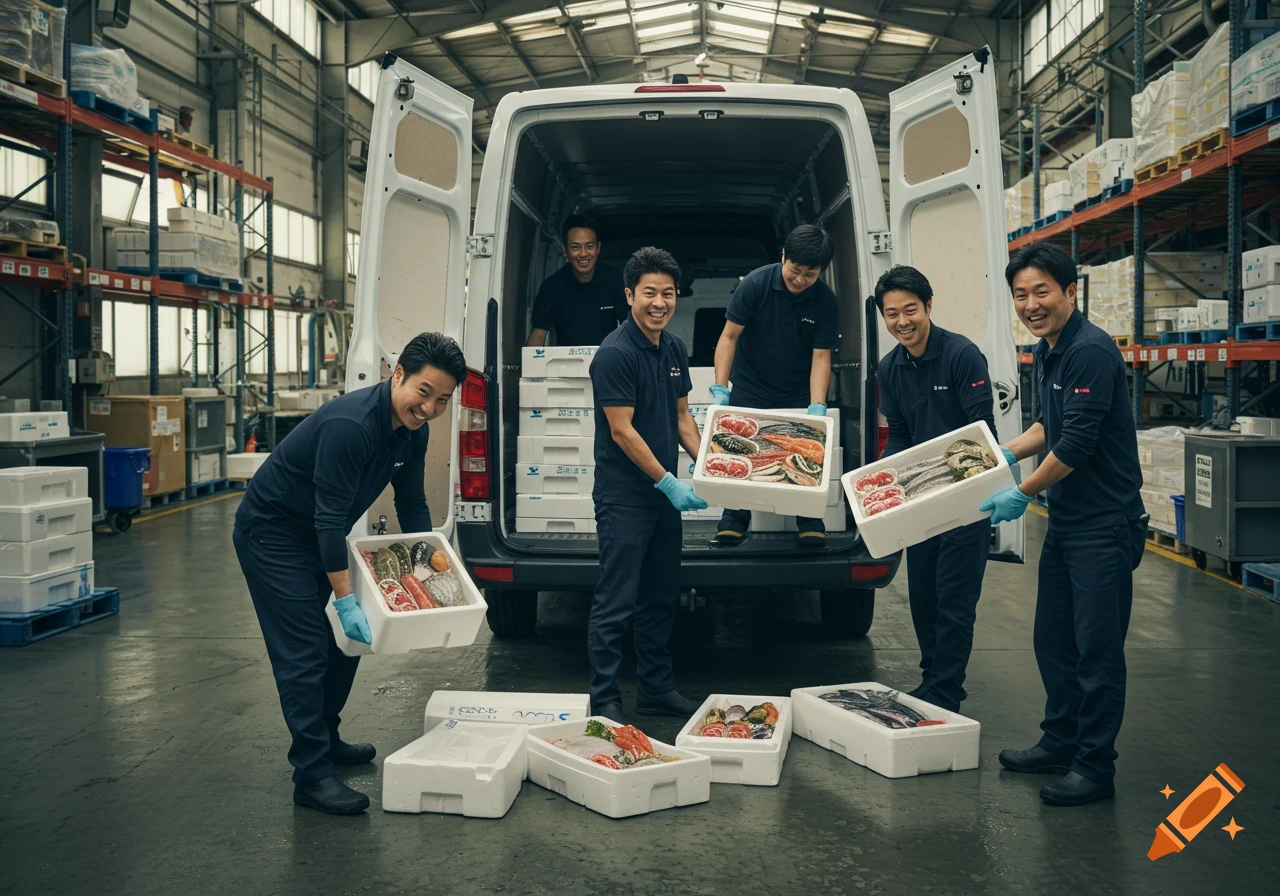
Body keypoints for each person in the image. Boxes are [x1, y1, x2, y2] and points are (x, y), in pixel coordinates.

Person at [232, 333, 467, 815]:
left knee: (345, 643)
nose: (430, 407)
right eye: (424, 392)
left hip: (321, 533)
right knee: (303, 651)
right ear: (397, 374)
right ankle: (312, 774)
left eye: (443, 399)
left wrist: (425, 567)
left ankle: (328, 736)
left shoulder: (413, 430)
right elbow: (327, 519)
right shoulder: (350, 425)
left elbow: (412, 501)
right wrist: (344, 598)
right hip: (274, 534)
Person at [981, 241, 1146, 807]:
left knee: (1097, 652)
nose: (1030, 303)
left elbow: (1076, 443)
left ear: (1071, 292)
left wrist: (1020, 492)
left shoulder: (1090, 351)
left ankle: (1096, 767)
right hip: (1070, 521)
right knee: (1053, 640)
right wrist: (1004, 452)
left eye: (1041, 291)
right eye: (1020, 294)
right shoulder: (1049, 350)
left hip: (1105, 524)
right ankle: (1061, 741)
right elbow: (1049, 426)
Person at [587, 246, 706, 722]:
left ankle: (656, 689)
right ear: (630, 295)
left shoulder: (674, 348)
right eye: (650, 293)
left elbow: (682, 418)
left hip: (662, 499)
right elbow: (622, 429)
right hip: (625, 498)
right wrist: (668, 483)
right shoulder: (614, 354)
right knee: (617, 600)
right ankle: (605, 697)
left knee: (660, 597)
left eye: (669, 293)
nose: (660, 302)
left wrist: (706, 465)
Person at [874, 265, 995, 714]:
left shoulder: (962, 355)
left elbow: (983, 431)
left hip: (966, 497)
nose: (902, 321)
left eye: (910, 310)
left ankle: (947, 690)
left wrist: (963, 482)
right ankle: (932, 679)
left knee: (955, 598)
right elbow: (901, 433)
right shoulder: (890, 367)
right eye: (891, 314)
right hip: (920, 499)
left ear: (928, 306)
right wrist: (890, 477)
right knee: (924, 595)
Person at [710, 224, 839, 547]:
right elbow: (728, 338)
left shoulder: (825, 301)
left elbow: (821, 357)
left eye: (809, 275)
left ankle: (808, 517)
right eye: (795, 270)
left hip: (797, 389)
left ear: (820, 271)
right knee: (742, 449)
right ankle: (734, 517)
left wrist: (817, 404)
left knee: (800, 452)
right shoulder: (755, 285)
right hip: (751, 384)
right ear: (784, 256)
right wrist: (720, 387)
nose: (800, 280)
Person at [526, 214, 627, 347]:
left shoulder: (615, 279)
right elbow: (539, 333)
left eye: (589, 246)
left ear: (598, 248)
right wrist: (531, 366)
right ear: (564, 250)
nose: (583, 254)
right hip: (565, 363)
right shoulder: (551, 287)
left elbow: (631, 327)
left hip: (607, 360)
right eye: (575, 247)